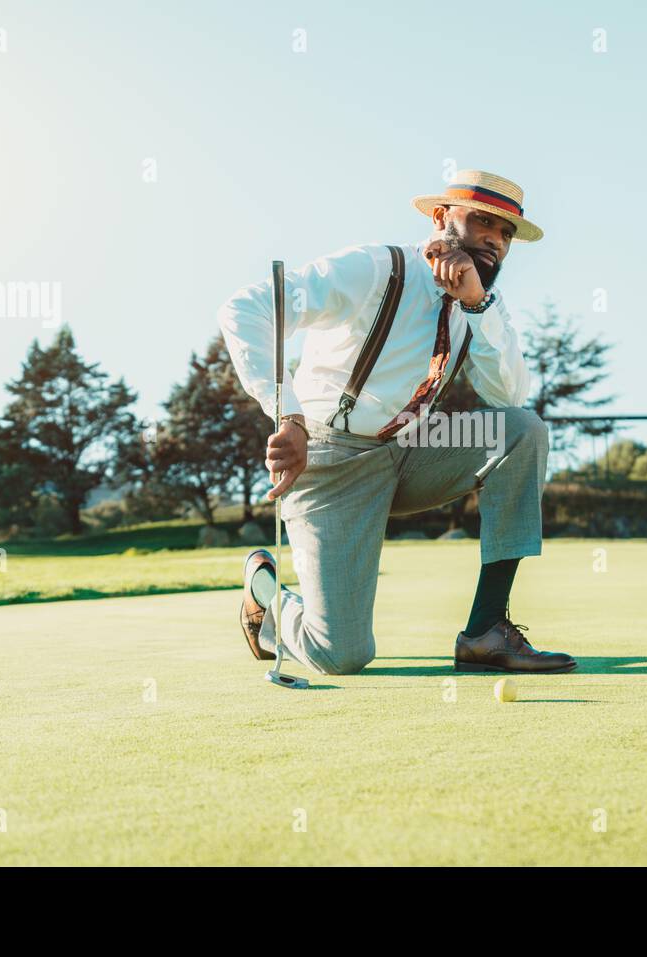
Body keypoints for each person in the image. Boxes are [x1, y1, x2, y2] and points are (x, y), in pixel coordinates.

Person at [217, 170, 576, 676]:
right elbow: (244, 309)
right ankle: (269, 598)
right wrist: (288, 413)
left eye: (506, 232)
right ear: (440, 218)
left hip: (411, 450)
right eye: (481, 222)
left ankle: (485, 631)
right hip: (330, 456)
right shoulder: (374, 268)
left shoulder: (479, 304)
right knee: (340, 654)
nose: (494, 239)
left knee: (522, 431)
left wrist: (476, 305)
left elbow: (510, 397)